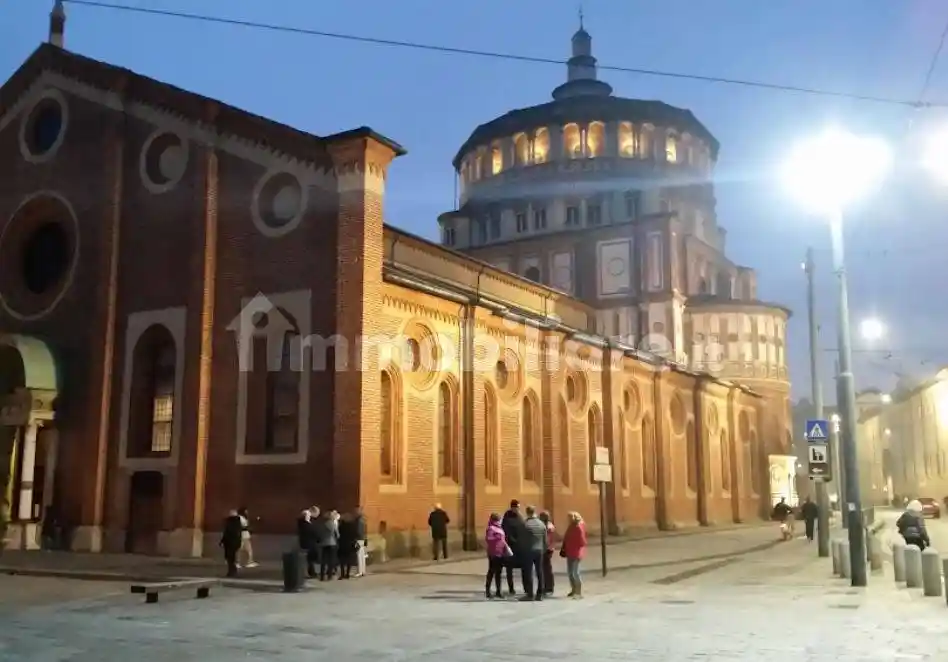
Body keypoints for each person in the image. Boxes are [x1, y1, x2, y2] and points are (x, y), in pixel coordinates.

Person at [520, 505, 548, 601]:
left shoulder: (526, 524)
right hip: (539, 550)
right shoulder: (541, 524)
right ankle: (540, 594)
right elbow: (545, 540)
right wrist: (544, 549)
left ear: (527, 512)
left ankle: (530, 594)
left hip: (529, 550)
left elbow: (522, 539)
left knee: (528, 572)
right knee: (539, 572)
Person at [501, 499, 525, 595]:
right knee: (509, 568)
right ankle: (511, 588)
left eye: (519, 507)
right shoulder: (507, 517)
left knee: (523, 566)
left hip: (519, 546)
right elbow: (505, 531)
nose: (518, 509)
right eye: (516, 507)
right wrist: (511, 541)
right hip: (510, 546)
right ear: (512, 507)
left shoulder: (520, 516)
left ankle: (526, 587)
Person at [484, 513, 510, 599]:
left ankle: (498, 591)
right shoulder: (491, 528)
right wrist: (498, 538)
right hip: (493, 553)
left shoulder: (499, 528)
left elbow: (502, 540)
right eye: (499, 519)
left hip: (500, 553)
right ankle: (488, 591)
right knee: (491, 572)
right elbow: (489, 539)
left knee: (499, 572)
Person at [561, 511, 587, 598]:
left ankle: (578, 592)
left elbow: (582, 541)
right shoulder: (570, 526)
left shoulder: (578, 527)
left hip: (576, 553)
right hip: (569, 552)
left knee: (575, 572)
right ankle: (573, 589)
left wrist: (574, 545)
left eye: (569, 518)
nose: (568, 520)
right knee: (570, 573)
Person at [314, 509, 340, 580]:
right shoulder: (332, 524)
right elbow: (337, 534)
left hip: (323, 543)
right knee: (331, 560)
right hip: (332, 543)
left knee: (323, 560)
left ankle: (322, 576)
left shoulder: (322, 524)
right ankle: (329, 575)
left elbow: (319, 533)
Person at [220, 509, 243, 577]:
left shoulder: (230, 522)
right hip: (235, 542)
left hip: (230, 542)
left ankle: (231, 571)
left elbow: (227, 532)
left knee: (230, 557)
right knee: (231, 557)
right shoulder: (238, 522)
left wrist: (222, 541)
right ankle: (232, 570)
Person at [297, 508, 319, 578]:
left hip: (309, 543)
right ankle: (310, 573)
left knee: (310, 559)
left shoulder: (305, 523)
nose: (309, 516)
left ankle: (312, 572)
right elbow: (311, 532)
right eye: (308, 515)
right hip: (308, 543)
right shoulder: (305, 524)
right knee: (309, 559)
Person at [538, 511, 556, 595]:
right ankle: (547, 586)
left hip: (547, 549)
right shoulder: (549, 525)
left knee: (546, 569)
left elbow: (547, 540)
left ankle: (549, 587)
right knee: (546, 568)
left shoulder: (547, 527)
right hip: (549, 548)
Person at [337, 512, 358, 579]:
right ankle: (347, 574)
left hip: (342, 544)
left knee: (342, 560)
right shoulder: (353, 526)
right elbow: (356, 535)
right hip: (350, 544)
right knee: (349, 560)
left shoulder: (341, 526)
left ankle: (342, 574)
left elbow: (338, 534)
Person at [353, 506, 368, 577]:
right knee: (362, 556)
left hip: (359, 539)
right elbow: (365, 530)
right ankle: (363, 571)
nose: (356, 512)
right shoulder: (364, 519)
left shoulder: (358, 520)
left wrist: (355, 539)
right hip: (363, 538)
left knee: (359, 555)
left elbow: (358, 530)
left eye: (357, 510)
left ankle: (359, 571)